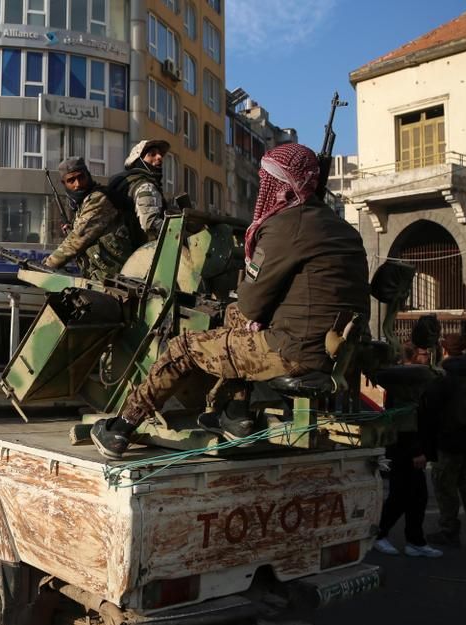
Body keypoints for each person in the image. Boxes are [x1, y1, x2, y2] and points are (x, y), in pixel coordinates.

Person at [90, 143, 370, 458]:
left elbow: (252, 305)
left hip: (295, 351)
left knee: (184, 347)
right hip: (338, 349)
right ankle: (237, 414)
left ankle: (121, 428)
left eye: (267, 181)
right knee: (234, 316)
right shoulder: (343, 228)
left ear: (279, 183)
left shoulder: (286, 226)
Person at [423, 333, 466, 551]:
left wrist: (427, 445)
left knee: (445, 487)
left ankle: (449, 530)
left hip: (449, 441)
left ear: (444, 350)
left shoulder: (442, 377)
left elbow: (430, 412)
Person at [374, 343, 443, 558]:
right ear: (412, 356)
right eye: (424, 353)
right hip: (403, 448)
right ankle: (380, 534)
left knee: (416, 497)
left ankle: (414, 540)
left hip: (411, 446)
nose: (428, 356)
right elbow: (405, 421)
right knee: (401, 496)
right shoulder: (404, 380)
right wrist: (416, 451)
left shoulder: (414, 378)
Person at [43, 156, 133, 279]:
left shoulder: (99, 198)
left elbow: (78, 239)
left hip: (119, 276)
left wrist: (48, 265)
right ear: (64, 183)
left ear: (88, 175)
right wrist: (72, 228)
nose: (78, 184)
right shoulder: (83, 203)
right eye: (71, 180)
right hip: (104, 276)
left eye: (81, 177)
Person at [107, 139, 170, 241]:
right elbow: (151, 224)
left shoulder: (128, 183)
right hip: (142, 247)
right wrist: (177, 232)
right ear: (139, 161)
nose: (159, 157)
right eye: (152, 154)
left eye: (160, 154)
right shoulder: (145, 186)